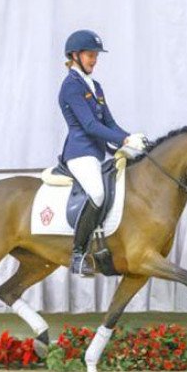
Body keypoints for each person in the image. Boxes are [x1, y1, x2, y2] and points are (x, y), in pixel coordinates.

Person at [59, 29, 146, 275]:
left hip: (97, 153)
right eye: (89, 55)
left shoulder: (95, 86)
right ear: (75, 56)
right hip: (80, 153)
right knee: (96, 193)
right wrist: (124, 139)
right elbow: (89, 125)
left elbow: (109, 122)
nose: (94, 60)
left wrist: (132, 140)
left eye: (96, 55)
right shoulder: (71, 87)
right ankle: (77, 254)